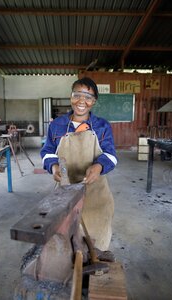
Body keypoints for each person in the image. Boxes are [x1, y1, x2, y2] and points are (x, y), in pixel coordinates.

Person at [40, 77, 117, 251]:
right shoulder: (57, 125)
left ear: (94, 101)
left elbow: (111, 155)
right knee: (64, 240)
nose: (82, 101)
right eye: (77, 95)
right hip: (65, 191)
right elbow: (47, 152)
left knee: (95, 240)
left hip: (96, 193)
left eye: (88, 97)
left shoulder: (102, 126)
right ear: (71, 97)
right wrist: (53, 166)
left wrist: (99, 166)